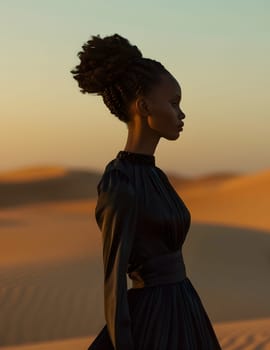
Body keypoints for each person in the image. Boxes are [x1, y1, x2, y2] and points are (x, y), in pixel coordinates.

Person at [70, 33, 222, 350]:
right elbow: (113, 281)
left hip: (185, 308)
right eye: (174, 102)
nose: (181, 114)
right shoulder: (119, 182)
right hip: (153, 320)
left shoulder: (157, 177)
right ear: (143, 106)